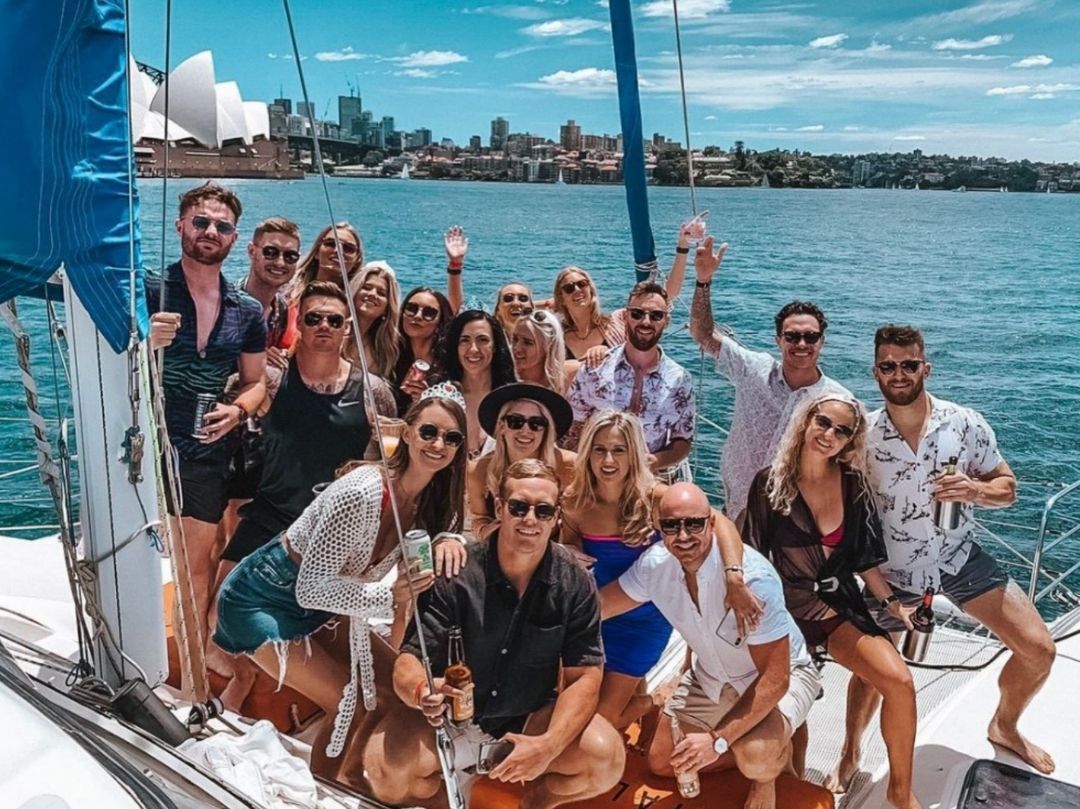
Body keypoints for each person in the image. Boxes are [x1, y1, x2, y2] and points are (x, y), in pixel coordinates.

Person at [832, 325, 1056, 784]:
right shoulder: (863, 436)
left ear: (925, 368)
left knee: (1038, 650)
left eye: (909, 364)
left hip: (956, 558)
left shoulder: (964, 423)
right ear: (875, 372)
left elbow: (1007, 487)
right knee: (874, 675)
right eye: (889, 366)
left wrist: (975, 490)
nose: (899, 373)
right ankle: (850, 752)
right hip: (890, 571)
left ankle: (1005, 726)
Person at [213, 385, 470, 776]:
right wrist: (388, 597)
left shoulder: (430, 504)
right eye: (429, 432)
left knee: (390, 695)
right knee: (352, 701)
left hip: (330, 603)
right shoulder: (364, 491)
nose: (438, 444)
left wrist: (453, 537)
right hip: (265, 596)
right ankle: (325, 791)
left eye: (451, 438)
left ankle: (353, 783)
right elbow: (310, 586)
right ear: (406, 432)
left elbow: (459, 528)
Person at [366, 459, 625, 809]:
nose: (530, 519)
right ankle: (443, 801)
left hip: (525, 723)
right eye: (518, 507)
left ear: (556, 518)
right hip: (447, 722)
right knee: (384, 771)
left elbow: (584, 677)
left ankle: (533, 803)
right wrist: (423, 690)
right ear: (500, 509)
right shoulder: (454, 574)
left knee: (606, 758)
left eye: (543, 510)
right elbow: (410, 659)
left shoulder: (575, 584)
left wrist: (548, 746)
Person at [741, 393, 921, 809]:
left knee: (899, 681)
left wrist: (894, 605)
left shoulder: (853, 484)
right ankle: (792, 785)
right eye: (823, 423)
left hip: (839, 608)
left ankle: (898, 790)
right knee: (790, 718)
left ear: (850, 440)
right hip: (785, 614)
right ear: (806, 422)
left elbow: (865, 561)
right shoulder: (769, 484)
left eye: (843, 430)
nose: (830, 435)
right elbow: (751, 557)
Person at [601, 483, 821, 809]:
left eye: (694, 523)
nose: (684, 535)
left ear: (711, 523)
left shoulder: (754, 581)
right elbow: (599, 606)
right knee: (662, 762)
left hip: (780, 676)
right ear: (660, 529)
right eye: (672, 526)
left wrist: (717, 742)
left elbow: (776, 678)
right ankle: (758, 741)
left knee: (755, 755)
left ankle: (768, 766)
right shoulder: (655, 566)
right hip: (711, 676)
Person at [562, 411, 758, 730]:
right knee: (572, 705)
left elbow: (718, 522)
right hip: (597, 615)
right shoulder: (574, 502)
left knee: (602, 720)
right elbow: (571, 556)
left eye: (619, 450)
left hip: (644, 620)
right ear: (587, 452)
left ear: (634, 454)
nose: (608, 459)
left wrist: (734, 575)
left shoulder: (655, 499)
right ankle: (639, 701)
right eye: (599, 449)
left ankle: (651, 701)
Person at [146, 182, 266, 669]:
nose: (210, 231)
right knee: (132, 560)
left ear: (234, 239)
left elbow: (257, 384)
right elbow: (104, 360)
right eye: (201, 222)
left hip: (203, 447)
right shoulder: (147, 289)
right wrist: (144, 339)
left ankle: (188, 676)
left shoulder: (248, 310)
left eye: (221, 226)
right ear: (180, 227)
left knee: (194, 571)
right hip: (144, 441)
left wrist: (238, 411)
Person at [689, 236, 850, 522]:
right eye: (792, 336)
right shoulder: (753, 369)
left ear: (822, 342)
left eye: (810, 337)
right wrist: (703, 281)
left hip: (796, 517)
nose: (801, 343)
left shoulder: (837, 400)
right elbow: (703, 334)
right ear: (779, 340)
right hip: (740, 504)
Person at [565, 281, 694, 479]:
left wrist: (655, 461)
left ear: (666, 321)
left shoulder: (680, 380)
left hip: (647, 481)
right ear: (625, 317)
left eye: (656, 315)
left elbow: (682, 440)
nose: (646, 322)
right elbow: (574, 428)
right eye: (637, 313)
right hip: (594, 479)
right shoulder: (595, 369)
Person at [468, 382, 577, 539]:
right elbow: (479, 518)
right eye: (515, 421)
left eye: (536, 424)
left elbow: (577, 521)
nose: (525, 430)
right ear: (501, 426)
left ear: (546, 430)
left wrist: (565, 551)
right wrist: (486, 532)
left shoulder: (569, 466)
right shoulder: (478, 470)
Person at [441, 310, 517, 458]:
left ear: (495, 346)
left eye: (482, 340)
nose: (473, 349)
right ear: (455, 347)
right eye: (465, 340)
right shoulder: (441, 398)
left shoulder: (514, 400)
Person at [393, 285, 454, 413]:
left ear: (440, 322)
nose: (417, 316)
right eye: (411, 308)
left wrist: (426, 399)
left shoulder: (450, 364)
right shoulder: (390, 355)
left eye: (429, 313)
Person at [550, 266, 625, 363]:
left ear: (591, 290)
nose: (577, 290)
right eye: (569, 288)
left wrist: (609, 352)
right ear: (561, 298)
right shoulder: (558, 338)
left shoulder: (613, 326)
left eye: (582, 284)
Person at [347, 261, 401, 380]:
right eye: (366, 287)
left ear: (387, 308)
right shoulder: (334, 330)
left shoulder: (384, 350)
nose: (372, 294)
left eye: (381, 293)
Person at [512, 309, 577, 394]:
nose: (517, 347)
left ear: (549, 346)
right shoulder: (504, 379)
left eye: (528, 342)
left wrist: (599, 351)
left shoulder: (571, 375)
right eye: (515, 339)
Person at [292, 221, 364, 295]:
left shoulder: (356, 300)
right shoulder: (287, 287)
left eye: (348, 248)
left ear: (357, 260)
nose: (338, 251)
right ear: (317, 252)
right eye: (330, 243)